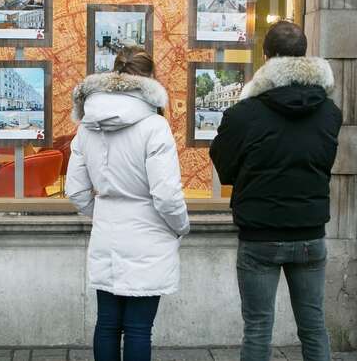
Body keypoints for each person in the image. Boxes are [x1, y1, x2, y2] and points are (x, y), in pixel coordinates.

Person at [209, 21, 342, 361]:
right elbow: (322, 163)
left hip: (260, 235)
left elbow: (225, 168)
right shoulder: (329, 112)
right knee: (313, 327)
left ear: (265, 56)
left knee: (257, 328)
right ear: (304, 55)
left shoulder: (243, 114)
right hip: (310, 233)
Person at [66, 48, 190, 361]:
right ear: (149, 80)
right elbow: (166, 195)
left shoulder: (87, 126)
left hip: (107, 234)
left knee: (107, 323)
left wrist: (105, 213)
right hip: (149, 236)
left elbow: (76, 191)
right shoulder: (154, 126)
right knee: (138, 327)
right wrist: (181, 227)